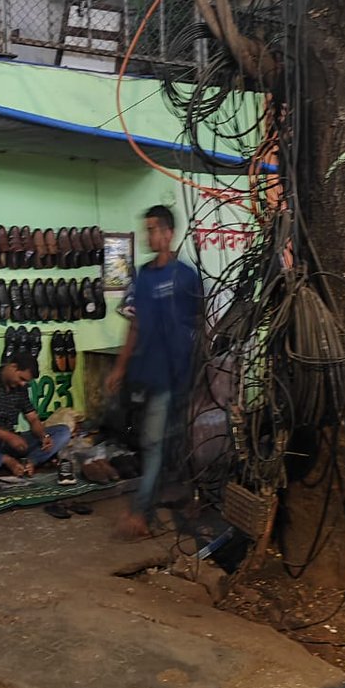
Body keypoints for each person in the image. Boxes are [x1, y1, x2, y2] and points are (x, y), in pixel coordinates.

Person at [108, 205, 202, 537]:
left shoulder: (187, 276)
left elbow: (202, 324)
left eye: (153, 229)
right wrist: (119, 367)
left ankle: (149, 510)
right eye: (146, 229)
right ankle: (152, 508)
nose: (149, 235)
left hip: (179, 374)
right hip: (150, 374)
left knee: (162, 443)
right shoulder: (143, 276)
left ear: (168, 233)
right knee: (156, 444)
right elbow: (134, 325)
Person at [0, 353, 73, 478]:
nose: (23, 384)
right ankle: (7, 461)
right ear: (13, 367)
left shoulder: (20, 388)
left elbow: (33, 418)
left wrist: (43, 436)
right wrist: (9, 437)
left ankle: (29, 463)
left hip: (12, 444)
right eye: (22, 379)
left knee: (63, 432)